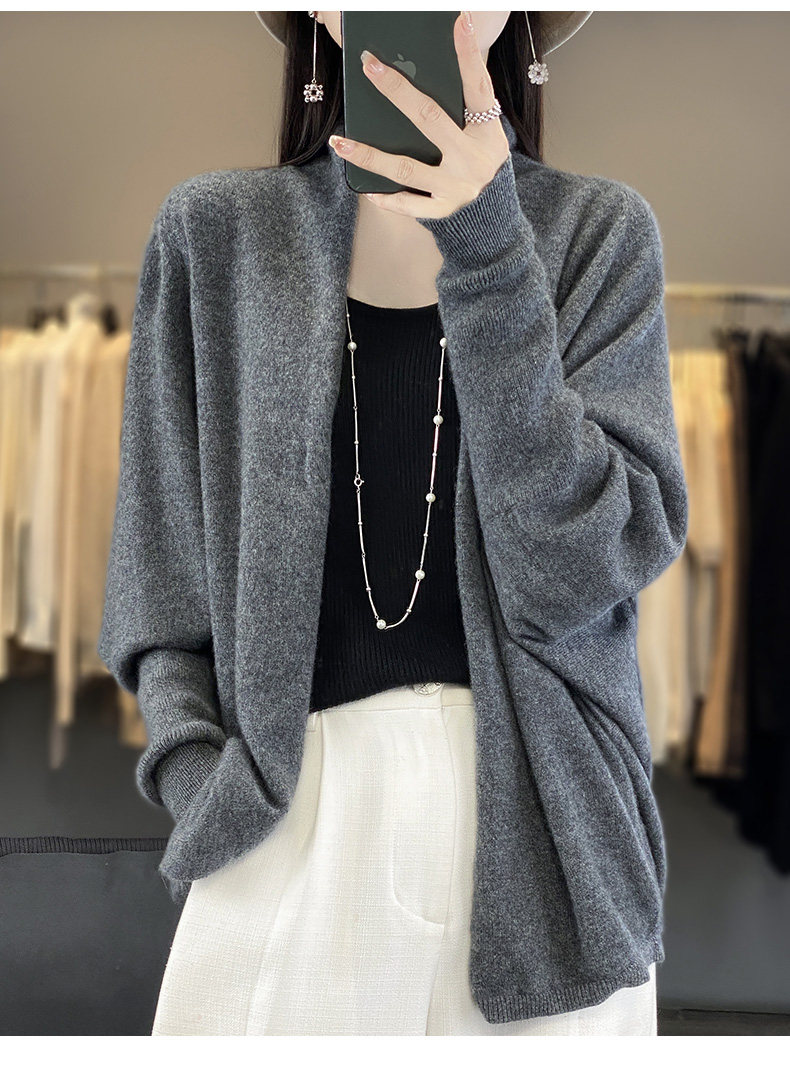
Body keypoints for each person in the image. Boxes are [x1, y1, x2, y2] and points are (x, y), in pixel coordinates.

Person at [98, 10, 688, 1036]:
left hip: (552, 843)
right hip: (282, 816)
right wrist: (206, 780)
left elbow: (581, 566)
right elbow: (159, 574)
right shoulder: (215, 234)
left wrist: (488, 242)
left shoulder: (598, 234)